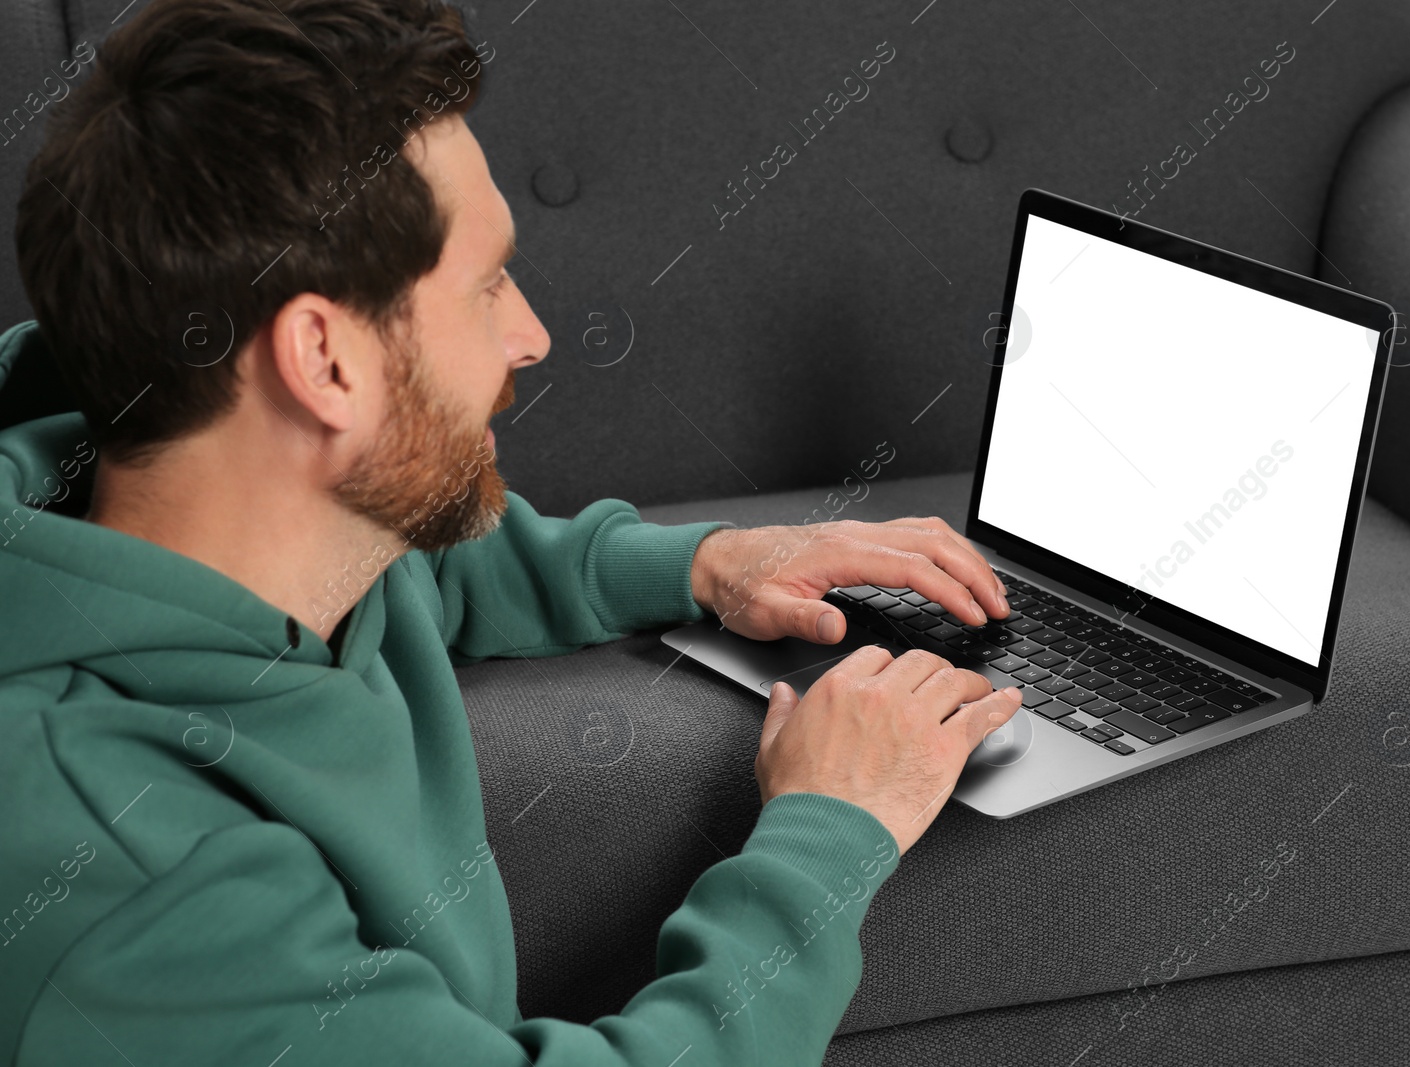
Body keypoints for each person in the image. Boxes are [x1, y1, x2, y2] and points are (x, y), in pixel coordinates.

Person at [0, 0, 1024, 1064]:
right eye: (486, 285)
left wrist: (708, 561)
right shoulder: (129, 871)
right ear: (324, 361)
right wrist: (831, 825)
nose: (530, 336)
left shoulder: (180, 511)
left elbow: (421, 566)